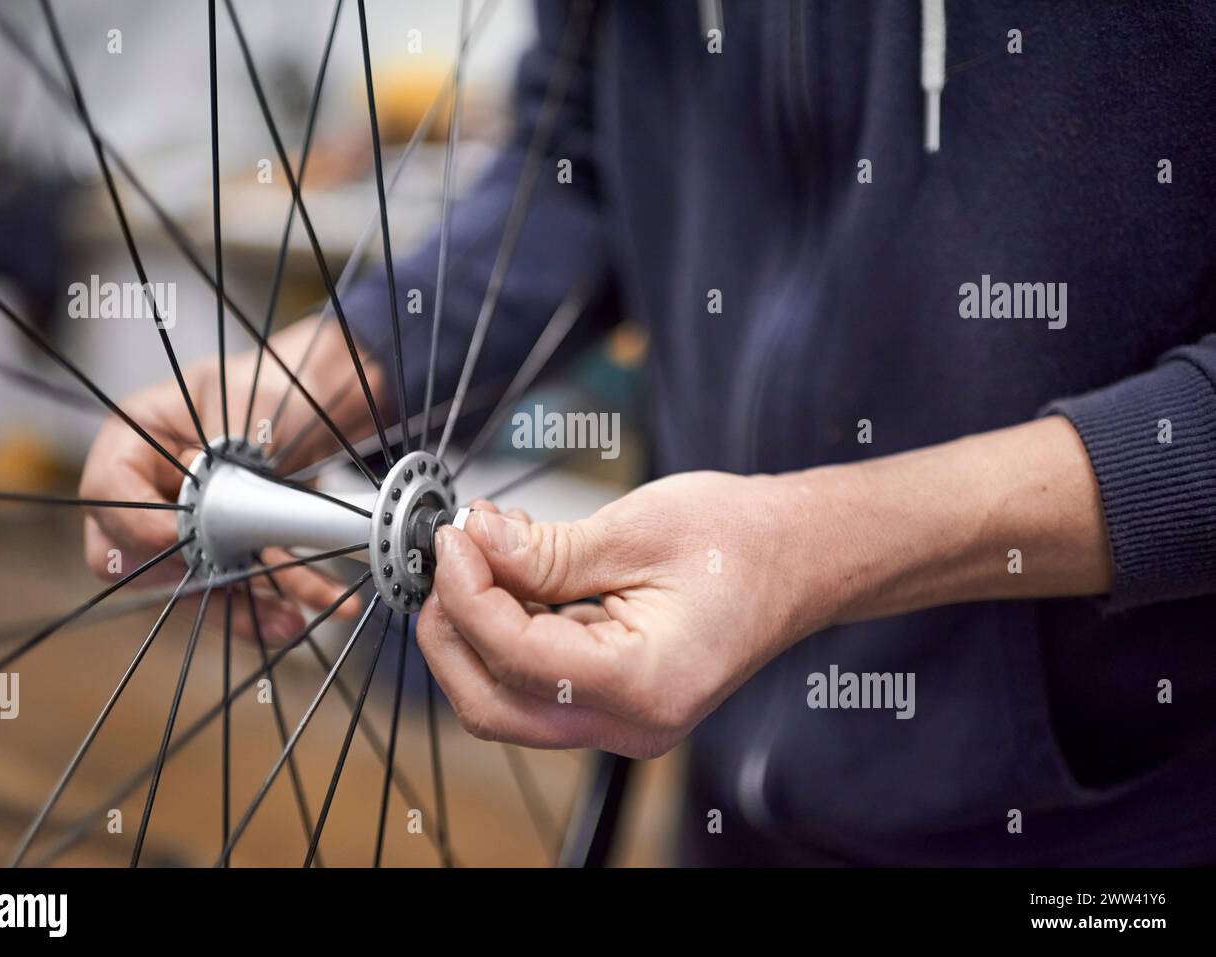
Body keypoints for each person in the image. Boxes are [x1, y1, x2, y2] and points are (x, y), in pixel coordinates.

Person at [81, 1, 1216, 865]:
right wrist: (312, 378)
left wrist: (818, 547)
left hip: (1110, 820)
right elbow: (569, 161)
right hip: (722, 790)